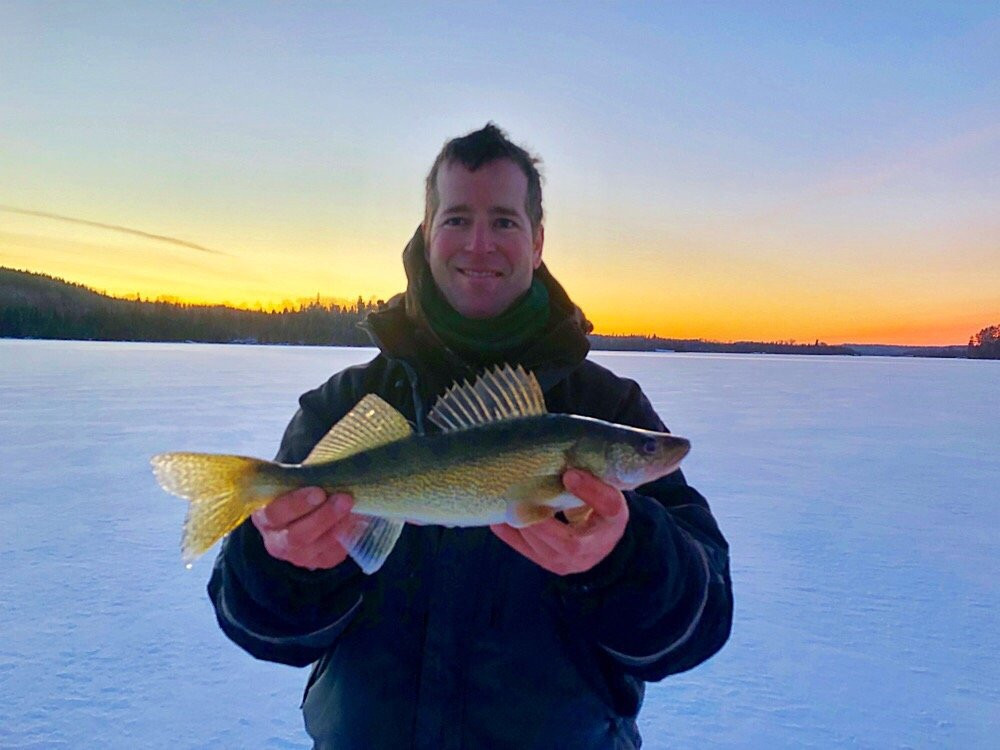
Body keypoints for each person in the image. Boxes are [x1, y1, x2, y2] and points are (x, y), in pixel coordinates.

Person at [208, 123, 733, 749]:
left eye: (505, 222)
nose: (479, 244)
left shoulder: (605, 405)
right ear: (427, 233)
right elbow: (259, 625)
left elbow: (704, 620)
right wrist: (286, 565)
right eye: (457, 218)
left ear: (537, 242)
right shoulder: (347, 405)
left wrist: (624, 558)